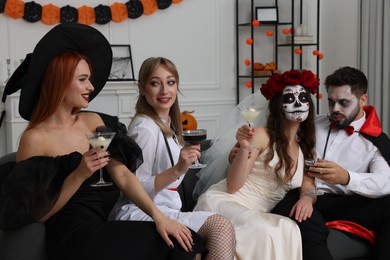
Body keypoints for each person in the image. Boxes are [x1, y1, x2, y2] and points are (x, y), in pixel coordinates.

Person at [0, 24, 206, 260]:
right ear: (60, 82)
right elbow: (38, 215)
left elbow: (124, 176)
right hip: (70, 236)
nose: (91, 87)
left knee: (187, 244)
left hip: (100, 224)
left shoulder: (93, 121)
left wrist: (160, 218)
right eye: (83, 79)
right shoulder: (33, 138)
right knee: (181, 248)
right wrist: (78, 174)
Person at [109, 57, 236, 260]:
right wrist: (178, 169)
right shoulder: (145, 129)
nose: (164, 91)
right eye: (154, 83)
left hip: (165, 209)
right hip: (139, 213)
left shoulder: (167, 124)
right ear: (142, 88)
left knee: (213, 236)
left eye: (170, 82)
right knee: (220, 227)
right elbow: (135, 187)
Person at [193, 70, 320, 259]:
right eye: (290, 98)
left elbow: (309, 186)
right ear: (279, 105)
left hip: (257, 213)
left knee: (288, 227)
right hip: (225, 203)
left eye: (303, 98)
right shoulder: (262, 135)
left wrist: (307, 199)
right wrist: (244, 148)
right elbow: (233, 185)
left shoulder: (306, 149)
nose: (298, 104)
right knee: (269, 229)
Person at [271, 66, 390, 260]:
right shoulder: (312, 125)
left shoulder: (375, 140)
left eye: (344, 103)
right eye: (331, 102)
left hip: (347, 203)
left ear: (363, 100)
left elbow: (385, 182)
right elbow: (277, 139)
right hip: (308, 195)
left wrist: (347, 177)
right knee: (305, 218)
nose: (335, 109)